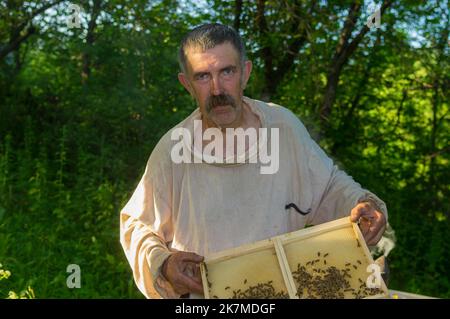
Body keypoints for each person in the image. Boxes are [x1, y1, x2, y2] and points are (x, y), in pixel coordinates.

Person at [119, 23, 389, 299]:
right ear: (187, 84)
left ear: (245, 73)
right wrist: (163, 264)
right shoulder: (173, 149)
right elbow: (136, 226)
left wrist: (359, 203)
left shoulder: (283, 128)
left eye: (227, 72)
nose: (216, 89)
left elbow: (328, 186)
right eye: (202, 76)